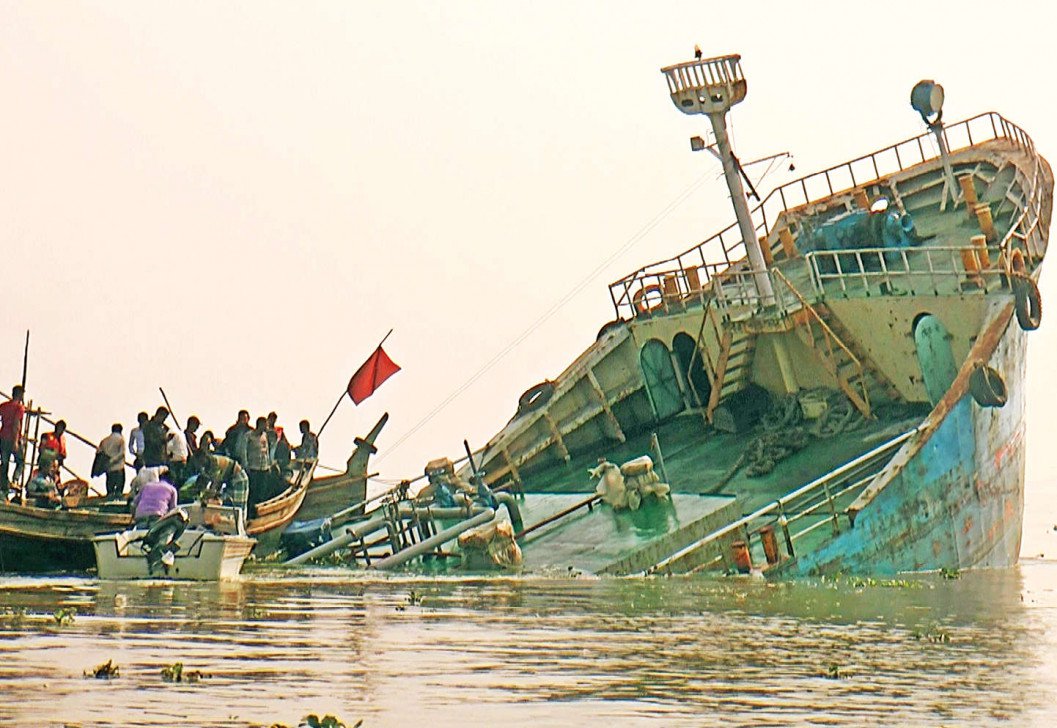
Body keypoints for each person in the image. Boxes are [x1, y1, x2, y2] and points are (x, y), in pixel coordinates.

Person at [191, 447, 249, 517]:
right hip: (229, 480)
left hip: (239, 479)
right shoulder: (206, 467)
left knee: (238, 509)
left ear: (204, 458)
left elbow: (215, 485)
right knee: (228, 509)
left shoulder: (214, 462)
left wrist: (206, 500)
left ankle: (241, 525)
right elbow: (205, 483)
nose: (199, 465)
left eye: (200, 462)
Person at [237, 416, 273, 510]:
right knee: (252, 491)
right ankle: (250, 511)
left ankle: (260, 509)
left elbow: (266, 451)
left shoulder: (264, 435)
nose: (267, 427)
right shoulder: (248, 436)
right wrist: (246, 466)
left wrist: (269, 464)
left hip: (263, 467)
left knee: (262, 491)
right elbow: (243, 451)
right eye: (265, 425)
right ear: (260, 425)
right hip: (253, 468)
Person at [0, 385, 26, 492]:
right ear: (20, 395)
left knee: (4, 462)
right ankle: (15, 480)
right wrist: (16, 441)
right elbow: (16, 424)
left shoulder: (4, 406)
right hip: (12, 438)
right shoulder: (19, 408)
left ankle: (3, 483)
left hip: (3, 437)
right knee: (20, 461)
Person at [97, 423, 126, 499]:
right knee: (119, 492)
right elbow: (121, 453)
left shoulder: (104, 440)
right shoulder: (121, 439)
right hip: (119, 467)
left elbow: (99, 453)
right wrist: (113, 460)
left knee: (110, 489)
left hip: (108, 468)